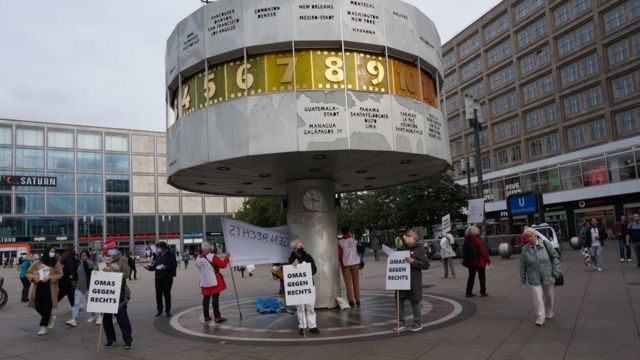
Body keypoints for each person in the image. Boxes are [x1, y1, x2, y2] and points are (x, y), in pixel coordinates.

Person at [520, 227, 561, 326]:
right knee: (537, 297)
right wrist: (523, 278)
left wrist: (556, 270)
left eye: (530, 236)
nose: (529, 238)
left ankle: (549, 311)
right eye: (527, 237)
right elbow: (523, 264)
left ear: (535, 236)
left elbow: (555, 257)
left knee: (549, 296)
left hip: (547, 274)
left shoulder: (546, 244)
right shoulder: (525, 249)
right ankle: (540, 317)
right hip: (533, 276)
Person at [394, 230, 430, 332]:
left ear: (415, 238)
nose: (406, 237)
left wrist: (413, 261)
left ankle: (418, 323)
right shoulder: (402, 249)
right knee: (399, 300)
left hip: (413, 280)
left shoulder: (420, 249)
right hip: (401, 280)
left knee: (415, 302)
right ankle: (400, 323)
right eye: (406, 235)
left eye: (409, 236)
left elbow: (426, 265)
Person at [101, 243, 134, 350]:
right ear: (105, 249)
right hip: (105, 294)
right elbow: (96, 273)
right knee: (106, 319)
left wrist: (113, 271)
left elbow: (127, 273)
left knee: (122, 317)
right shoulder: (102, 260)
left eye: (114, 248)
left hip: (120, 293)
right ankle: (110, 339)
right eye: (110, 249)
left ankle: (128, 340)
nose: (112, 250)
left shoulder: (122, 259)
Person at [26, 245, 63, 335]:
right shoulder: (38, 262)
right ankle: (50, 317)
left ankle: (43, 326)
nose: (53, 253)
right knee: (38, 305)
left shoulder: (56, 263)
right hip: (39, 286)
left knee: (47, 306)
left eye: (54, 251)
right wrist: (33, 278)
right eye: (51, 251)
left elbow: (60, 273)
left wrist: (50, 277)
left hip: (50, 288)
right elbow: (28, 272)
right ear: (47, 252)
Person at [289, 240, 320, 335]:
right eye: (299, 247)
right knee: (300, 307)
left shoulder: (308, 256)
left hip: (309, 285)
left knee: (310, 306)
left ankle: (312, 326)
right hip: (298, 287)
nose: (302, 248)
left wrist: (303, 265)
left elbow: (314, 269)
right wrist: (293, 265)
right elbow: (288, 271)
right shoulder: (291, 258)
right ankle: (302, 326)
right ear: (294, 249)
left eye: (302, 246)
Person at [195, 243, 230, 322]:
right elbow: (222, 265)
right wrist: (227, 258)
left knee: (206, 299)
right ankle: (217, 316)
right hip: (214, 280)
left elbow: (199, 267)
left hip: (204, 281)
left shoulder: (198, 258)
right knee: (215, 299)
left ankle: (206, 316)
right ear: (209, 249)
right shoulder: (212, 257)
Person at [145, 241, 177, 316]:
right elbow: (154, 267)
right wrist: (149, 268)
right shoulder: (158, 256)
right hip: (158, 278)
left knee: (167, 294)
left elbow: (174, 265)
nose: (157, 249)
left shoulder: (170, 255)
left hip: (167, 278)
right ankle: (159, 310)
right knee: (158, 295)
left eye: (158, 248)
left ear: (163, 247)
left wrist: (166, 267)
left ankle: (167, 310)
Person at [65, 250, 95, 327]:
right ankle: (73, 319)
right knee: (76, 303)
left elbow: (91, 273)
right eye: (82, 255)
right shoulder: (80, 264)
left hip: (87, 287)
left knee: (89, 303)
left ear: (88, 256)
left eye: (85, 255)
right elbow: (77, 274)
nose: (83, 257)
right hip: (79, 287)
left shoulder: (90, 263)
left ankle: (92, 316)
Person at [462, 225, 491, 297]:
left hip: (470, 262)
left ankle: (468, 292)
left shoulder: (466, 240)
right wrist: (488, 259)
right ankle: (483, 292)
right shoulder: (477, 240)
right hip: (479, 262)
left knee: (471, 277)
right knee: (482, 277)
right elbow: (482, 251)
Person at [338, 226, 361, 307]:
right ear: (349, 232)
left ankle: (351, 301)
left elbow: (339, 255)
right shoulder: (354, 241)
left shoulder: (340, 242)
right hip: (355, 264)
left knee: (348, 283)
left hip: (346, 265)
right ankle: (358, 299)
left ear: (342, 233)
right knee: (356, 282)